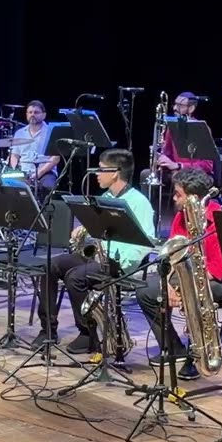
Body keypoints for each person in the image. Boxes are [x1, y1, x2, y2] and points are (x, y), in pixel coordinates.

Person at [38, 149, 156, 354]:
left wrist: (118, 261)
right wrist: (84, 230)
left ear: (116, 172)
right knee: (51, 265)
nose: (96, 174)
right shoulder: (107, 196)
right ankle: (48, 329)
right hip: (99, 256)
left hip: (121, 264)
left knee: (75, 277)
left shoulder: (139, 203)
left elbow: (145, 243)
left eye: (101, 170)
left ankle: (87, 333)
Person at [136, 166, 222, 380]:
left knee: (193, 296)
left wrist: (184, 288)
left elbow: (218, 268)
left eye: (178, 194)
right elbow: (172, 254)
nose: (174, 199)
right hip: (188, 274)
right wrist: (168, 283)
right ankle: (173, 347)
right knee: (147, 292)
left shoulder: (219, 219)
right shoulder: (181, 216)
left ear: (194, 198)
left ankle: (199, 353)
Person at [146, 92, 217, 180]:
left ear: (191, 109)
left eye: (180, 105)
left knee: (178, 177)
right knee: (145, 174)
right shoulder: (172, 126)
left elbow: (207, 166)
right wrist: (159, 155)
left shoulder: (201, 128)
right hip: (176, 171)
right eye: (175, 104)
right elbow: (167, 153)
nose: (175, 108)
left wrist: (178, 166)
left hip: (196, 174)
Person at [7, 100, 61, 190]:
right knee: (8, 185)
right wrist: (16, 171)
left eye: (36, 112)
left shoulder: (51, 132)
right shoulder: (19, 133)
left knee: (47, 186)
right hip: (24, 172)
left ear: (44, 115)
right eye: (30, 112)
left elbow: (55, 158)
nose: (32, 114)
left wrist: (38, 173)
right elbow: (14, 155)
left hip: (45, 172)